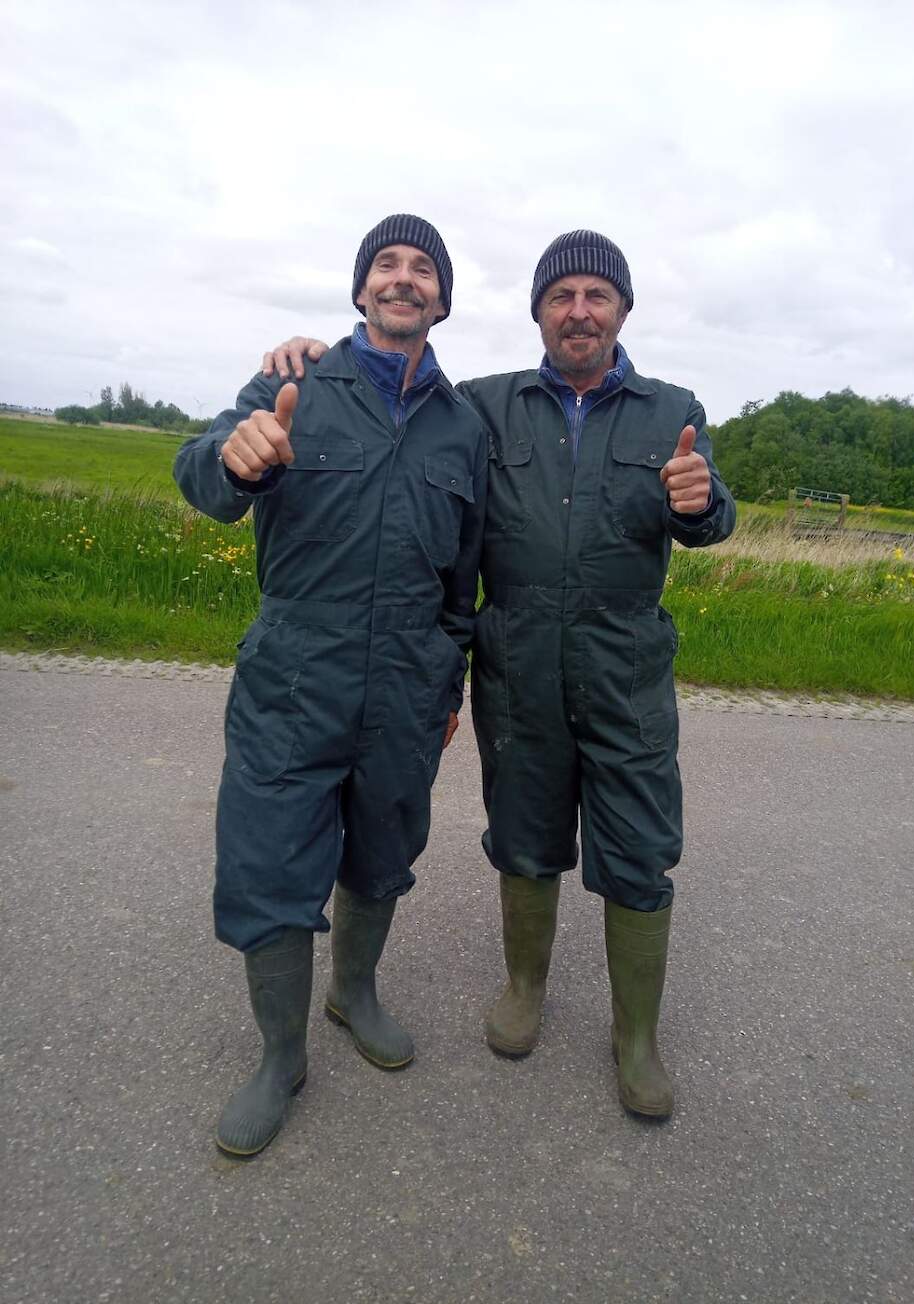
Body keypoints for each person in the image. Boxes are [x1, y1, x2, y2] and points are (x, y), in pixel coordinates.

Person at [261, 229, 735, 1118]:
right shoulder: (486, 407)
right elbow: (398, 387)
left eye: (598, 296)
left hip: (626, 671)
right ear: (538, 314)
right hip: (516, 667)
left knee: (638, 851)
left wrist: (704, 503)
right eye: (562, 297)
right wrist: (313, 354)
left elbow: (709, 509)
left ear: (623, 310)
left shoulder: (671, 405)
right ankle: (525, 990)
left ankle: (637, 1039)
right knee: (524, 835)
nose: (580, 311)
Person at [175, 215, 487, 1156]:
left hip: (407, 682)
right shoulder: (293, 381)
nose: (403, 279)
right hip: (294, 675)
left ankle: (353, 994)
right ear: (361, 292)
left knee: (383, 850)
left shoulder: (463, 425)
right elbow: (204, 472)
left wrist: (449, 680)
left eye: (422, 268)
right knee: (271, 862)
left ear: (442, 299)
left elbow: (462, 575)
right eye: (385, 265)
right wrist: (231, 458)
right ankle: (281, 1058)